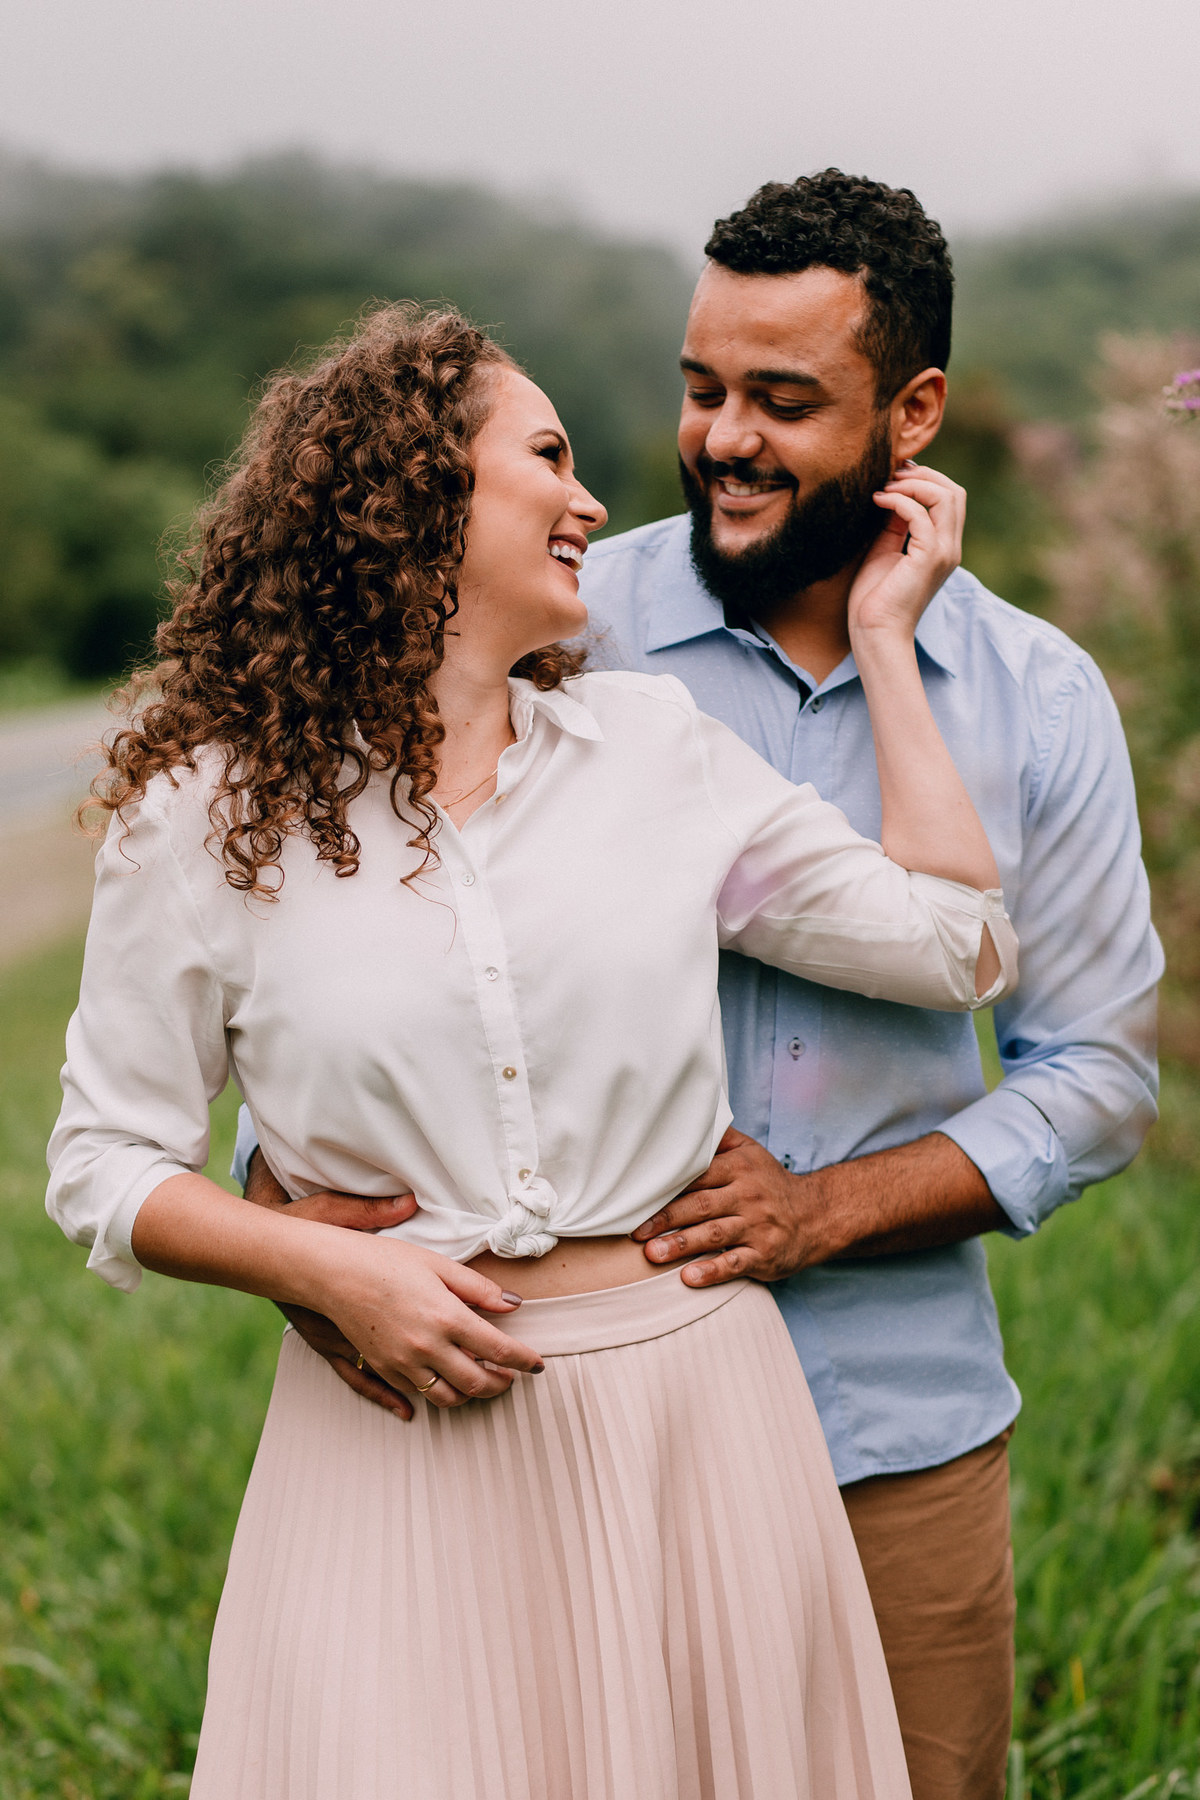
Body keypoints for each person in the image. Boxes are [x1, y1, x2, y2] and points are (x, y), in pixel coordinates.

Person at [240, 174, 1163, 1799]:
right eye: (700, 387)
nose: (724, 437)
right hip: (532, 1433)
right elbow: (338, 926)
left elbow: (1094, 1073)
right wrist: (287, 1202)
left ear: (914, 414)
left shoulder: (1042, 699)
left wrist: (824, 1211)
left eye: (785, 401)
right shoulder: (542, 623)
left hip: (891, 1434)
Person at [47, 300, 1016, 1800]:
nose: (592, 502)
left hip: (694, 1426)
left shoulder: (655, 755)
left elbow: (951, 943)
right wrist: (321, 1269)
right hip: (395, 1441)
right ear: (418, 494)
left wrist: (888, 638)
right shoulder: (203, 812)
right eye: (548, 459)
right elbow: (105, 1164)